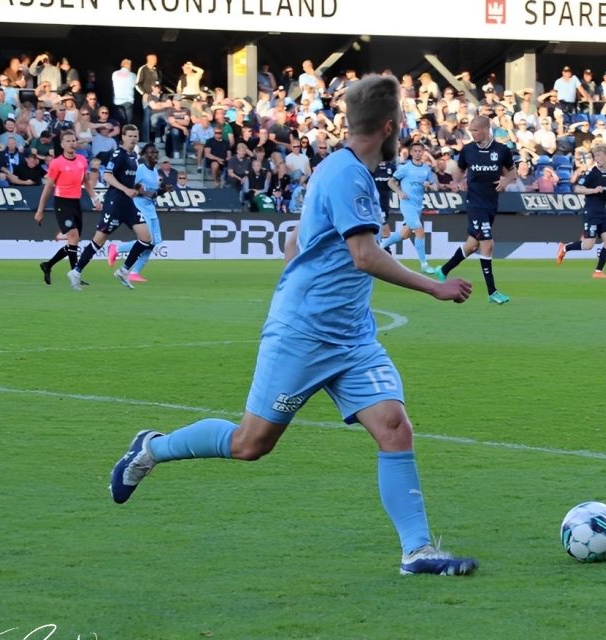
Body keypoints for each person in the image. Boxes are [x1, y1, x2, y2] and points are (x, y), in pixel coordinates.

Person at [107, 74, 480, 576]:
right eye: (404, 121)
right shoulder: (347, 176)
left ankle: (417, 552)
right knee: (250, 445)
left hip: (351, 336)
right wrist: (434, 285)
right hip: (304, 334)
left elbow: (297, 243)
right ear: (390, 126)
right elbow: (365, 255)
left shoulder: (340, 171)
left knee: (394, 428)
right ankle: (151, 449)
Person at [436, 115, 515, 304]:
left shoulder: (502, 150)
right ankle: (492, 292)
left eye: (475, 130)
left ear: (486, 130)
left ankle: (443, 270)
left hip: (491, 204)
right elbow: (459, 170)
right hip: (475, 203)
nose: (472, 133)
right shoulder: (468, 150)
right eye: (470, 130)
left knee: (472, 246)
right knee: (488, 244)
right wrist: (456, 182)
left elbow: (512, 171)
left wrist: (506, 180)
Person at [67, 125, 156, 291]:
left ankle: (123, 271)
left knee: (146, 238)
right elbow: (107, 175)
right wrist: (125, 189)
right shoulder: (118, 154)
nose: (133, 138)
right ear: (123, 137)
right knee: (99, 241)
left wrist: (137, 188)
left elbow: (128, 179)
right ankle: (76, 272)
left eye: (136, 135)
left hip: (128, 204)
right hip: (115, 203)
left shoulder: (134, 156)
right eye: (130, 135)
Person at [34, 130, 102, 285]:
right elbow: (48, 187)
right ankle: (75, 276)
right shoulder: (56, 163)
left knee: (74, 241)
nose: (72, 143)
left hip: (75, 203)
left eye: (74, 140)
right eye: (68, 141)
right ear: (62, 144)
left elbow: (86, 182)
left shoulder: (82, 160)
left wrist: (95, 199)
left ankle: (48, 265)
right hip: (62, 203)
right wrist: (40, 210)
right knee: (73, 236)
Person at [555, 144, 606, 278]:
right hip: (591, 212)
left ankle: (598, 271)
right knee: (589, 245)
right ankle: (565, 248)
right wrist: (593, 190)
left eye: (601, 155)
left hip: (603, 213)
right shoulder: (591, 173)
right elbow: (577, 188)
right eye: (596, 156)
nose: (598, 158)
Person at [106, 143, 167, 282]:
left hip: (151, 208)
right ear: (144, 154)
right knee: (147, 239)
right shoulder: (140, 169)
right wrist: (145, 193)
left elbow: (153, 193)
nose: (155, 155)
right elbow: (133, 188)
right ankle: (117, 248)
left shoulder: (155, 172)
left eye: (156, 152)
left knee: (154, 242)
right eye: (151, 152)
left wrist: (164, 190)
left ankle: (134, 273)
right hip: (140, 207)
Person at [383, 140, 437, 273]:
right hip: (407, 205)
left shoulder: (426, 169)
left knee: (404, 234)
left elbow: (434, 187)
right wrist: (400, 192)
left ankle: (379, 247)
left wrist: (428, 186)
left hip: (418, 206)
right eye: (415, 151)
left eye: (420, 151)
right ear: (411, 153)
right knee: (420, 231)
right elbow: (391, 182)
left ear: (423, 153)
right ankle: (424, 265)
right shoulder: (405, 168)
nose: (418, 153)